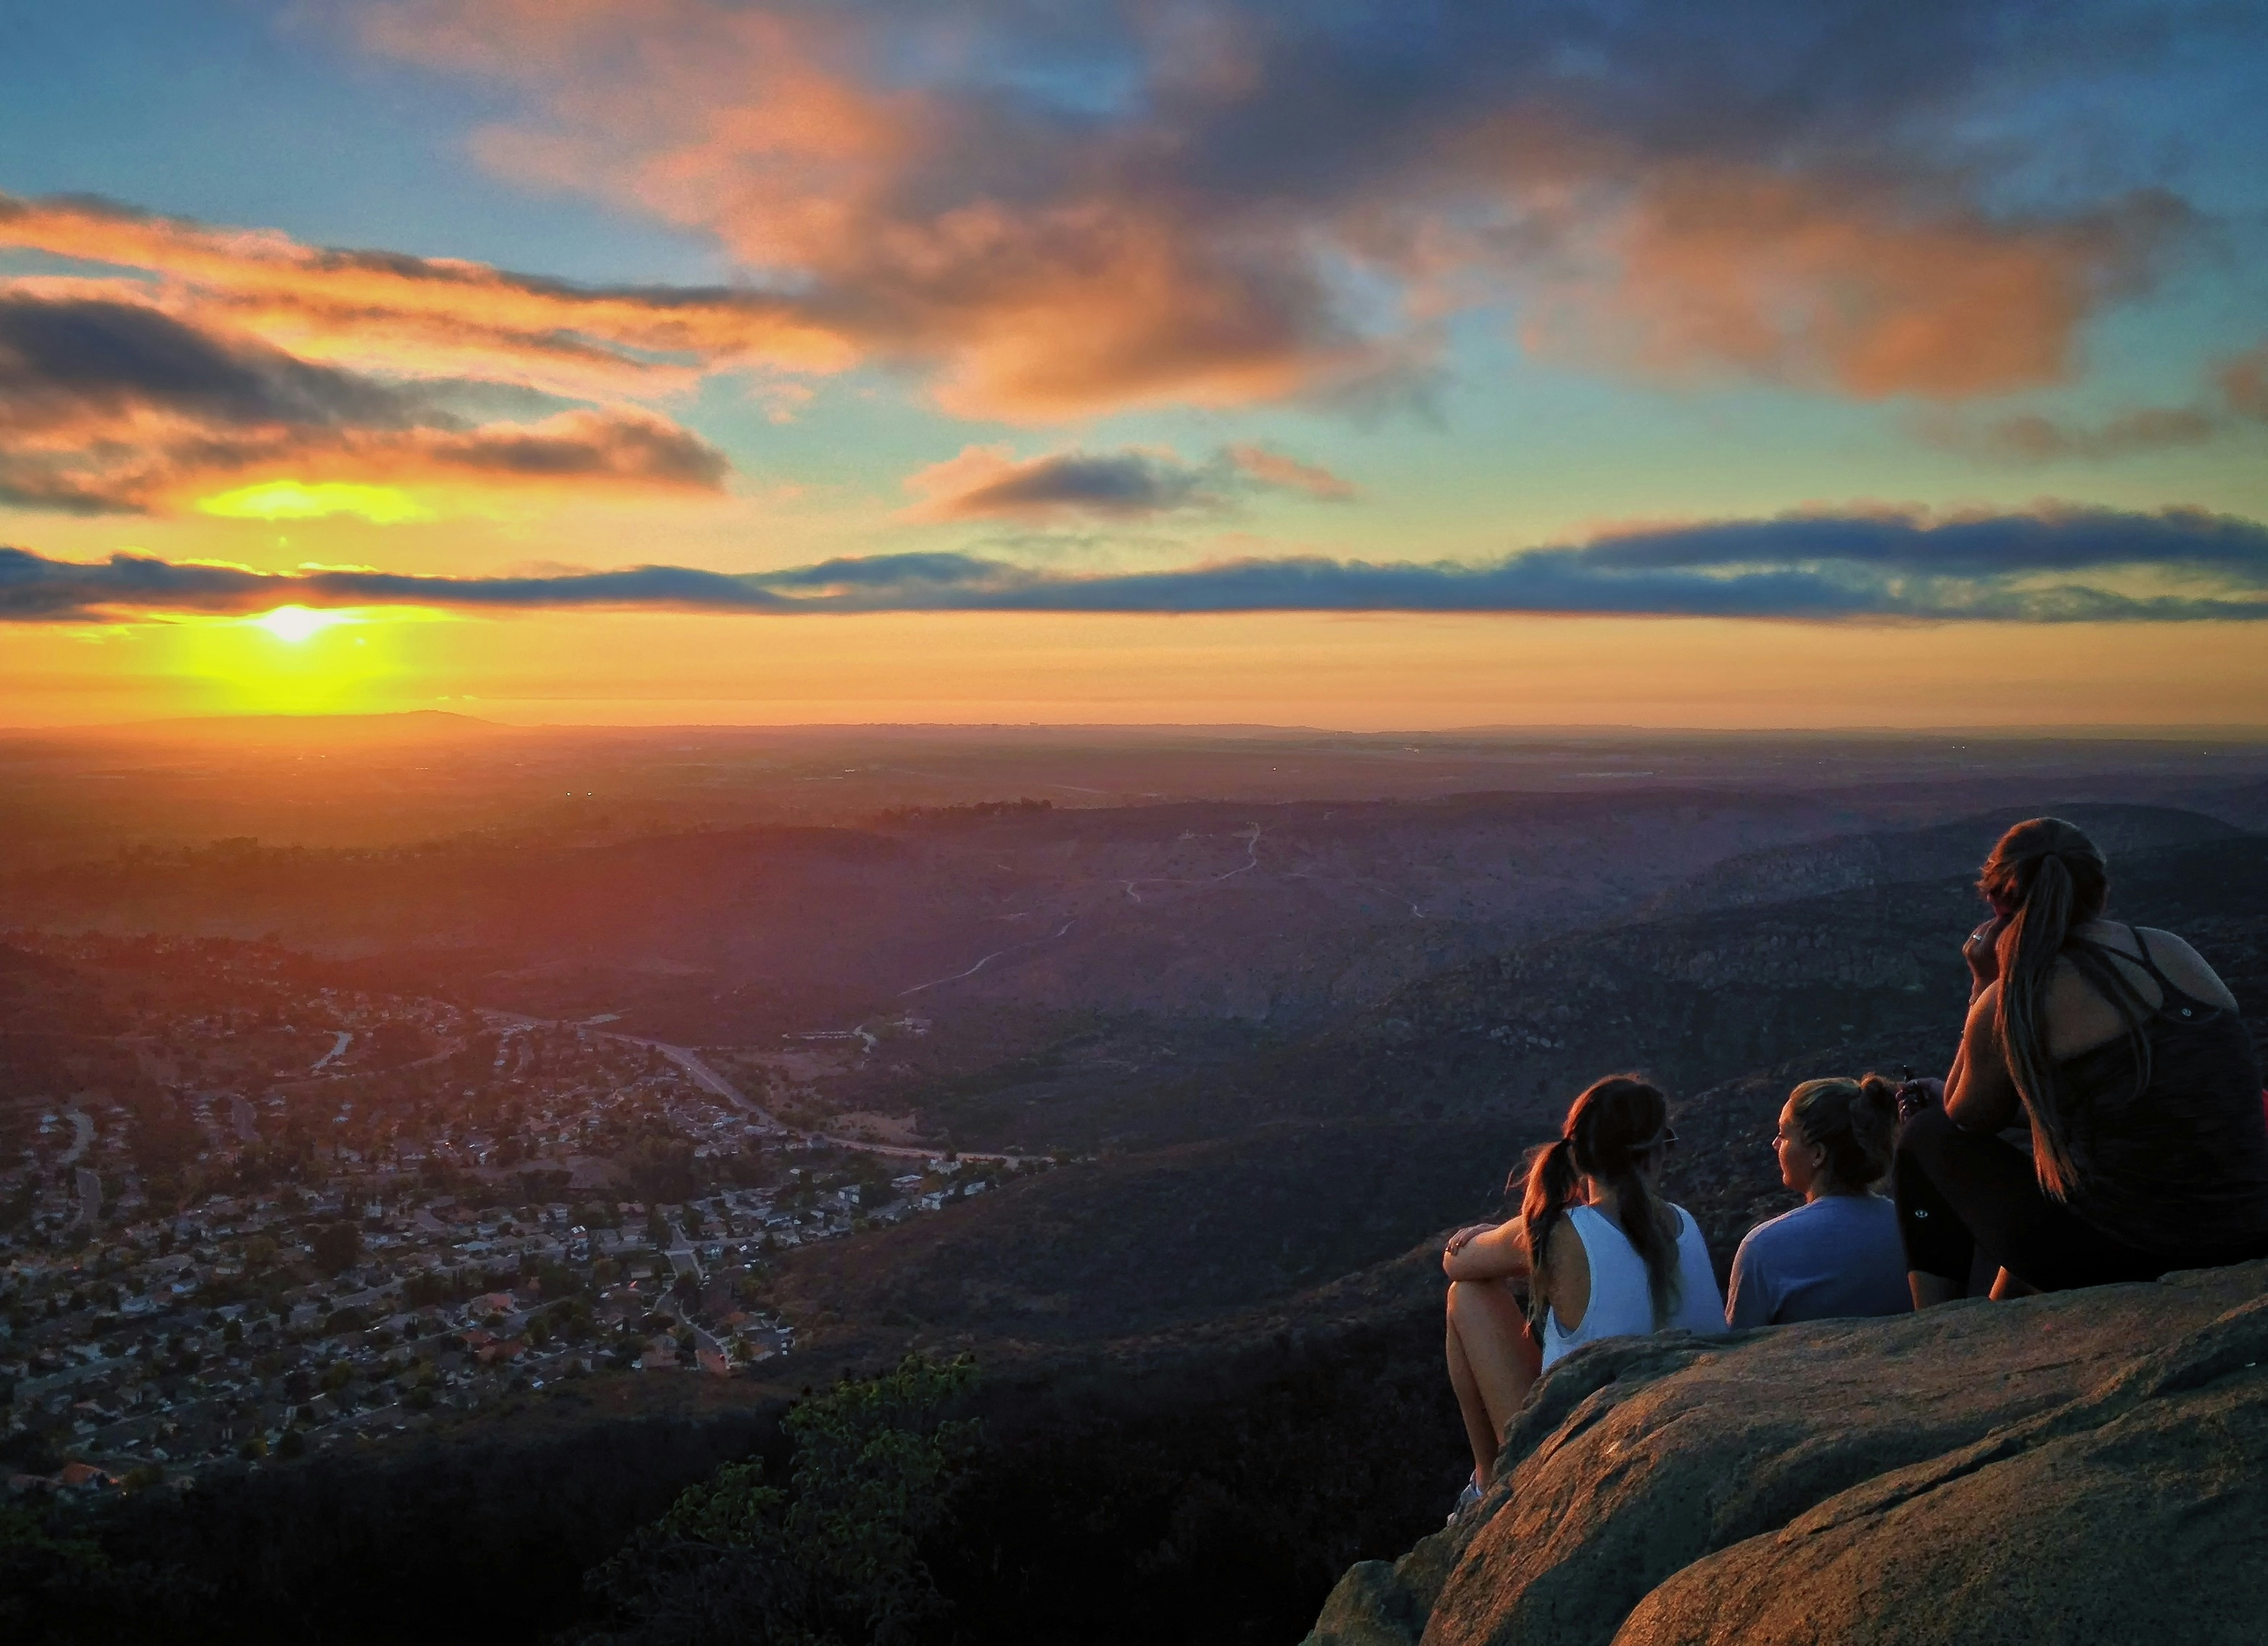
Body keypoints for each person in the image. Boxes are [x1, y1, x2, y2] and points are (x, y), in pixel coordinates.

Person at [1894, 816, 2268, 1304]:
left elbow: (1965, 1117)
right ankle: (1998, 1306)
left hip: (2130, 1255)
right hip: (2251, 1228)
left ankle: (1938, 1329)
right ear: (2099, 889)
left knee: (1923, 1134)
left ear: (1996, 900)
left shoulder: (2014, 996)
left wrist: (1982, 984)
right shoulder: (2170, 951)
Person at [1440, 1074, 1725, 1511]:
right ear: (1653, 1155)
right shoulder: (1686, 1224)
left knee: (1466, 1294)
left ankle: (1485, 1484)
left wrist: (1497, 1236)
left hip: (1580, 1458)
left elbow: (1455, 1262)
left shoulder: (1555, 1233)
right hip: (1686, 1432)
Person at [1725, 1076, 1911, 1328]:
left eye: (1783, 1134)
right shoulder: (1908, 1225)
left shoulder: (1764, 1248)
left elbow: (1739, 1349)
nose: (1775, 1144)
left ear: (1817, 1153)